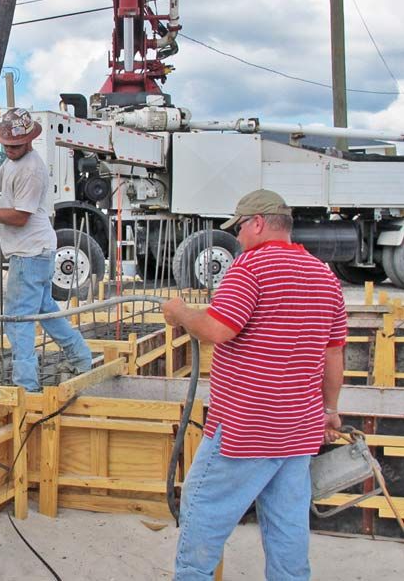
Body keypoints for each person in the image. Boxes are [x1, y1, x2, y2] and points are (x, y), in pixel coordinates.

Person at [163, 189, 347, 580]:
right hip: (298, 430)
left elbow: (216, 329)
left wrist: (180, 313)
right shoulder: (325, 276)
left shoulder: (251, 268)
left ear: (258, 223)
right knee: (287, 531)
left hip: (245, 430)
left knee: (201, 516)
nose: (240, 237)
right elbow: (333, 355)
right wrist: (330, 411)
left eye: (242, 227)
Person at [0, 108, 92, 392]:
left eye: (15, 146)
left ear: (29, 141)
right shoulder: (11, 163)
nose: (10, 150)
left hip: (29, 253)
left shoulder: (31, 169)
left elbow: (20, 217)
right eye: (5, 146)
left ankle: (26, 387)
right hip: (36, 251)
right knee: (46, 312)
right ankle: (81, 359)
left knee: (19, 320)